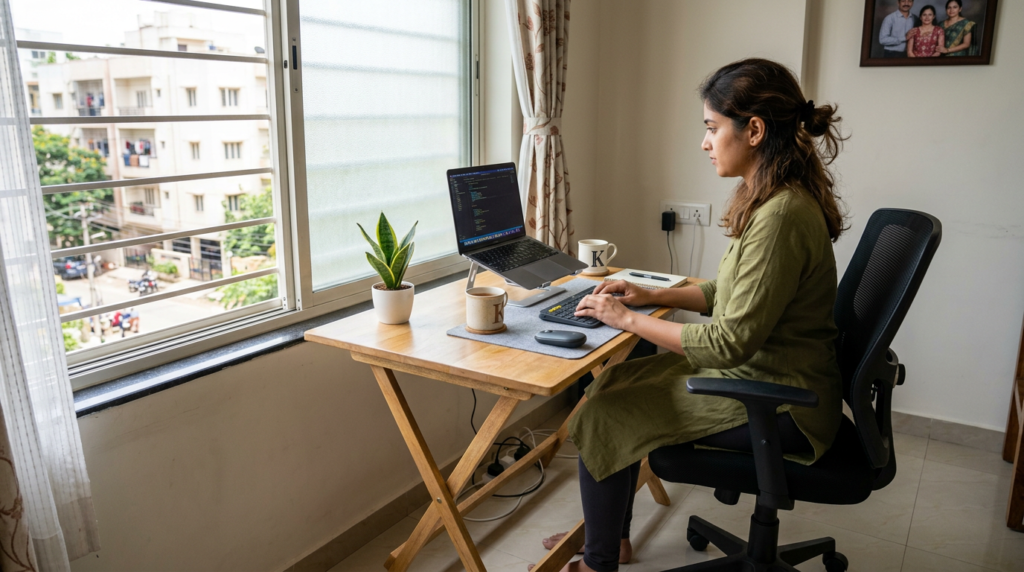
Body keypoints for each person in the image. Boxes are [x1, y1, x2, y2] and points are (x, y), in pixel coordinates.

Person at [532, 58, 848, 572]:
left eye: (711, 127)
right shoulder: (773, 198)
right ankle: (613, 541)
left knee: (602, 411)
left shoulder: (781, 215)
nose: (704, 142)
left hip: (784, 404)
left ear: (754, 130)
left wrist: (626, 320)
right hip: (772, 377)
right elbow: (729, 292)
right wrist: (644, 294)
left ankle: (598, 562)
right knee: (609, 388)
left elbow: (729, 343)